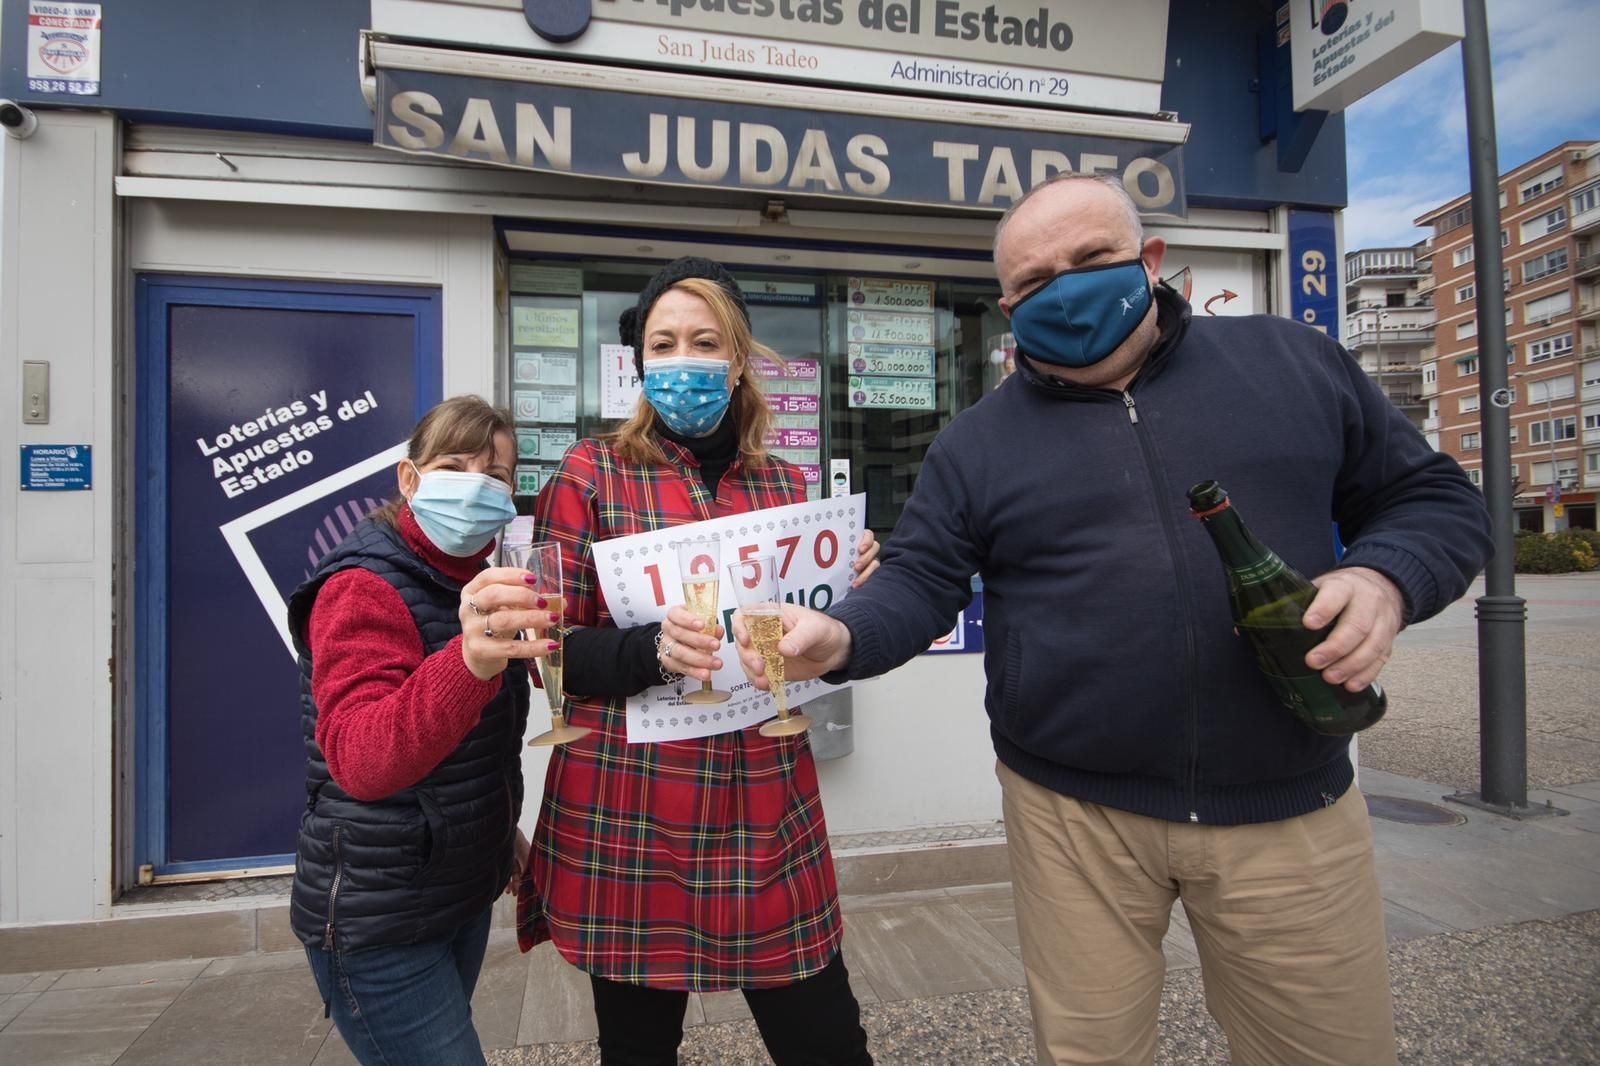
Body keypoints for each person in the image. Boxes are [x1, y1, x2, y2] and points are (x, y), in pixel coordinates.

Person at [734, 175, 1494, 1066]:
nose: (1065, 288)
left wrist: (1385, 578)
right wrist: (846, 639)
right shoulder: (977, 443)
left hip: (1289, 805)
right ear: (1009, 307)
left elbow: (1434, 499)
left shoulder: (1292, 362)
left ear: (1151, 261)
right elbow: (921, 580)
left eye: (1090, 260)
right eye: (1034, 282)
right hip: (1072, 818)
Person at [515, 256, 878, 1065]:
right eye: (663, 342)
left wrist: (851, 594)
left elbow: (828, 645)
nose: (682, 360)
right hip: (635, 807)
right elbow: (546, 646)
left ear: (739, 356)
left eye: (704, 340)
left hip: (764, 805)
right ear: (640, 362)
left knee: (827, 1043)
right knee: (639, 1049)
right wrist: (647, 650)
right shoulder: (590, 472)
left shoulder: (789, 486)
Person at [289, 395, 556, 1066]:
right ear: (410, 481)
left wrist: (501, 834)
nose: (476, 484)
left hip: (454, 894)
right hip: (379, 924)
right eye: (453, 464)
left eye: (496, 473)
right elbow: (361, 759)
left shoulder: (468, 580)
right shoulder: (362, 587)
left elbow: (465, 755)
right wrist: (467, 662)